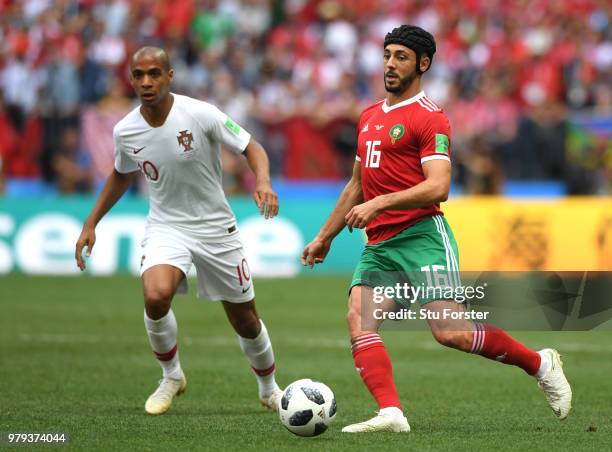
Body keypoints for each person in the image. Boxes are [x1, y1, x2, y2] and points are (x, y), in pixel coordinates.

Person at [301, 25, 572, 433]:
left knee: (452, 333)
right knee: (358, 317)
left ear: (423, 64)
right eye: (388, 54)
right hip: (381, 245)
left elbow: (438, 186)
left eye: (401, 57)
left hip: (423, 238)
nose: (390, 64)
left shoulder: (431, 118)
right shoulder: (370, 116)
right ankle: (391, 412)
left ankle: (540, 363)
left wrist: (379, 203)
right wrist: (325, 236)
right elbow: (355, 186)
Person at [75, 46, 282, 415]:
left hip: (216, 228)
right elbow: (121, 175)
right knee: (155, 296)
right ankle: (171, 376)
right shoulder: (126, 130)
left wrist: (263, 181)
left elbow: (252, 146)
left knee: (246, 319)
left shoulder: (200, 113)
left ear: (169, 76)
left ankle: (269, 388)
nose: (146, 82)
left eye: (154, 73)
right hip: (166, 226)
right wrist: (91, 222)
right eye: (138, 75)